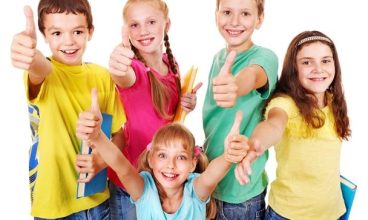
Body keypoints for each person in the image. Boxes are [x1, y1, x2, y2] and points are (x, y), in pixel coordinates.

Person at [10, 0, 125, 219]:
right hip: (53, 204)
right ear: (44, 35)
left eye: (78, 31)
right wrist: (29, 55)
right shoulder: (45, 73)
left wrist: (101, 160)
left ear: (90, 31)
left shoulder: (102, 77)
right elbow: (38, 67)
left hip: (97, 201)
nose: (69, 41)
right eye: (56, 33)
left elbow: (119, 135)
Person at [235, 30, 351, 220]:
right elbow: (273, 125)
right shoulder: (285, 104)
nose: (318, 68)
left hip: (333, 213)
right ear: (293, 68)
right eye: (306, 62)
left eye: (325, 60)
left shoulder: (333, 101)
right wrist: (256, 143)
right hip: (288, 215)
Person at [77, 91, 248, 219]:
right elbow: (122, 167)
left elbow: (211, 175)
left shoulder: (195, 191)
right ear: (150, 159)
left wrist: (228, 157)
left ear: (192, 164)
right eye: (162, 156)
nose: (170, 165)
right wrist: (98, 137)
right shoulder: (144, 190)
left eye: (180, 157)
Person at [100, 0, 200, 219]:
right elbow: (123, 76)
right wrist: (118, 65)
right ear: (126, 30)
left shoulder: (170, 64)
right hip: (130, 183)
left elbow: (168, 118)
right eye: (134, 25)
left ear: (167, 25)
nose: (143, 31)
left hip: (162, 179)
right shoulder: (133, 68)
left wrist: (185, 105)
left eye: (151, 22)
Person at [202, 0, 278, 219]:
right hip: (210, 183)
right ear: (216, 15)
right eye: (227, 12)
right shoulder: (218, 58)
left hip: (240, 196)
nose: (234, 21)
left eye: (245, 13)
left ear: (259, 19)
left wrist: (235, 85)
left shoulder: (265, 57)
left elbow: (253, 76)